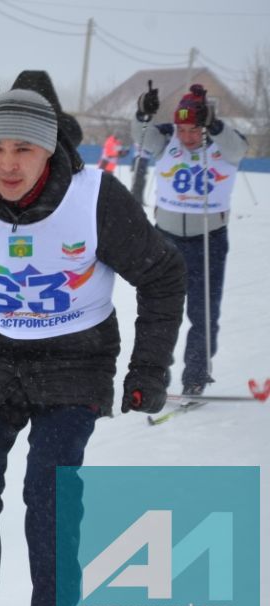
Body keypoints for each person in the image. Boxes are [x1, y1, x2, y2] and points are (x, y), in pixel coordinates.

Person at [0, 72, 185, 606]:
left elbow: (162, 275)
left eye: (25, 149)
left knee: (50, 496)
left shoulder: (96, 197)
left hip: (75, 358)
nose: (9, 164)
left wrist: (148, 367)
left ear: (49, 149)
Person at [132, 82, 249, 396]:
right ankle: (155, 375)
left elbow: (239, 150)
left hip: (208, 239)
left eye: (194, 130)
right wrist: (142, 113)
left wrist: (216, 125)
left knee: (203, 312)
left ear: (205, 126)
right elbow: (141, 137)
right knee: (161, 310)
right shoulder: (167, 137)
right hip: (166, 238)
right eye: (182, 129)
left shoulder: (223, 144)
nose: (186, 137)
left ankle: (195, 376)